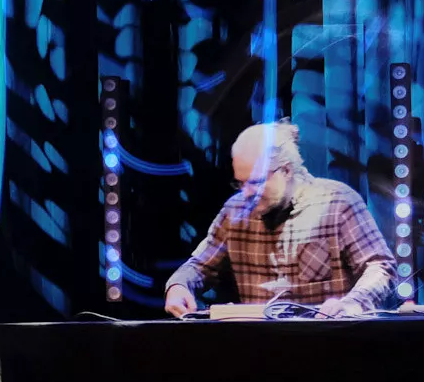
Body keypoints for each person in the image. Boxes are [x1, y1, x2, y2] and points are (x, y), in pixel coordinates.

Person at [164, 120, 394, 318]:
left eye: (256, 182)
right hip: (260, 345)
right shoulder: (235, 211)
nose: (247, 193)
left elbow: (380, 267)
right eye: (240, 183)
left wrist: (352, 303)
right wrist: (178, 285)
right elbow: (200, 266)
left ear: (286, 171)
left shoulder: (338, 202)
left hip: (328, 341)